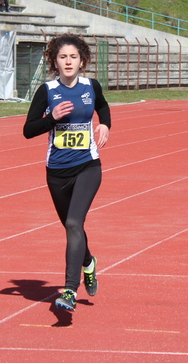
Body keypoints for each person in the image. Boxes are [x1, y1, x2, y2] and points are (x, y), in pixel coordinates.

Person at [23, 33, 111, 312]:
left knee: (74, 223)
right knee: (72, 226)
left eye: (73, 56)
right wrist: (52, 118)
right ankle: (88, 262)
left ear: (82, 60)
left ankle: (70, 291)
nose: (68, 61)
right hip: (57, 171)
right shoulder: (47, 91)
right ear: (55, 62)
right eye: (63, 57)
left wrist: (105, 124)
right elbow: (28, 130)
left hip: (88, 166)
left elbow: (103, 106)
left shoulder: (90, 85)